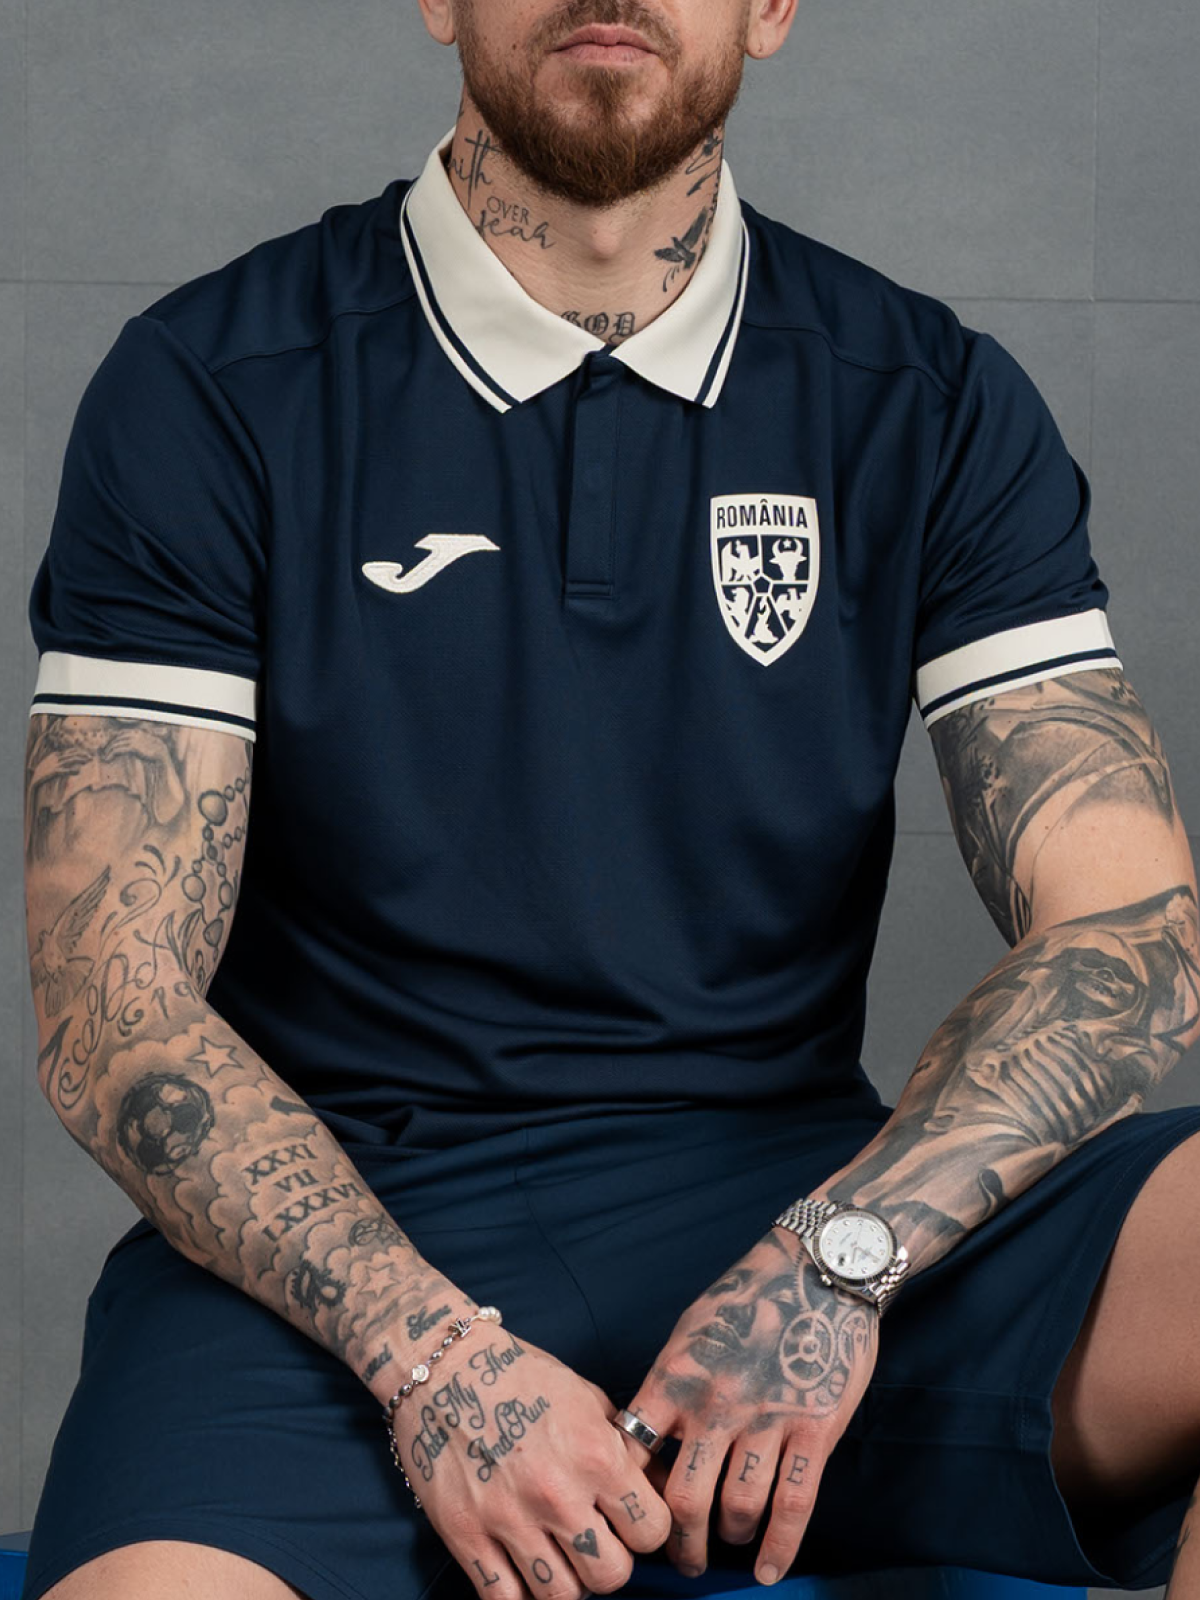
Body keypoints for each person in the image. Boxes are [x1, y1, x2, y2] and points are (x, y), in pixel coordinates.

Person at [17, 0, 1200, 1597]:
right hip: (336, 1251)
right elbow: (113, 1006)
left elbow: (1133, 933)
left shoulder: (924, 397)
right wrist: (430, 1356)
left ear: (769, 8)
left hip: (799, 1213)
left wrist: (835, 1266)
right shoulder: (215, 383)